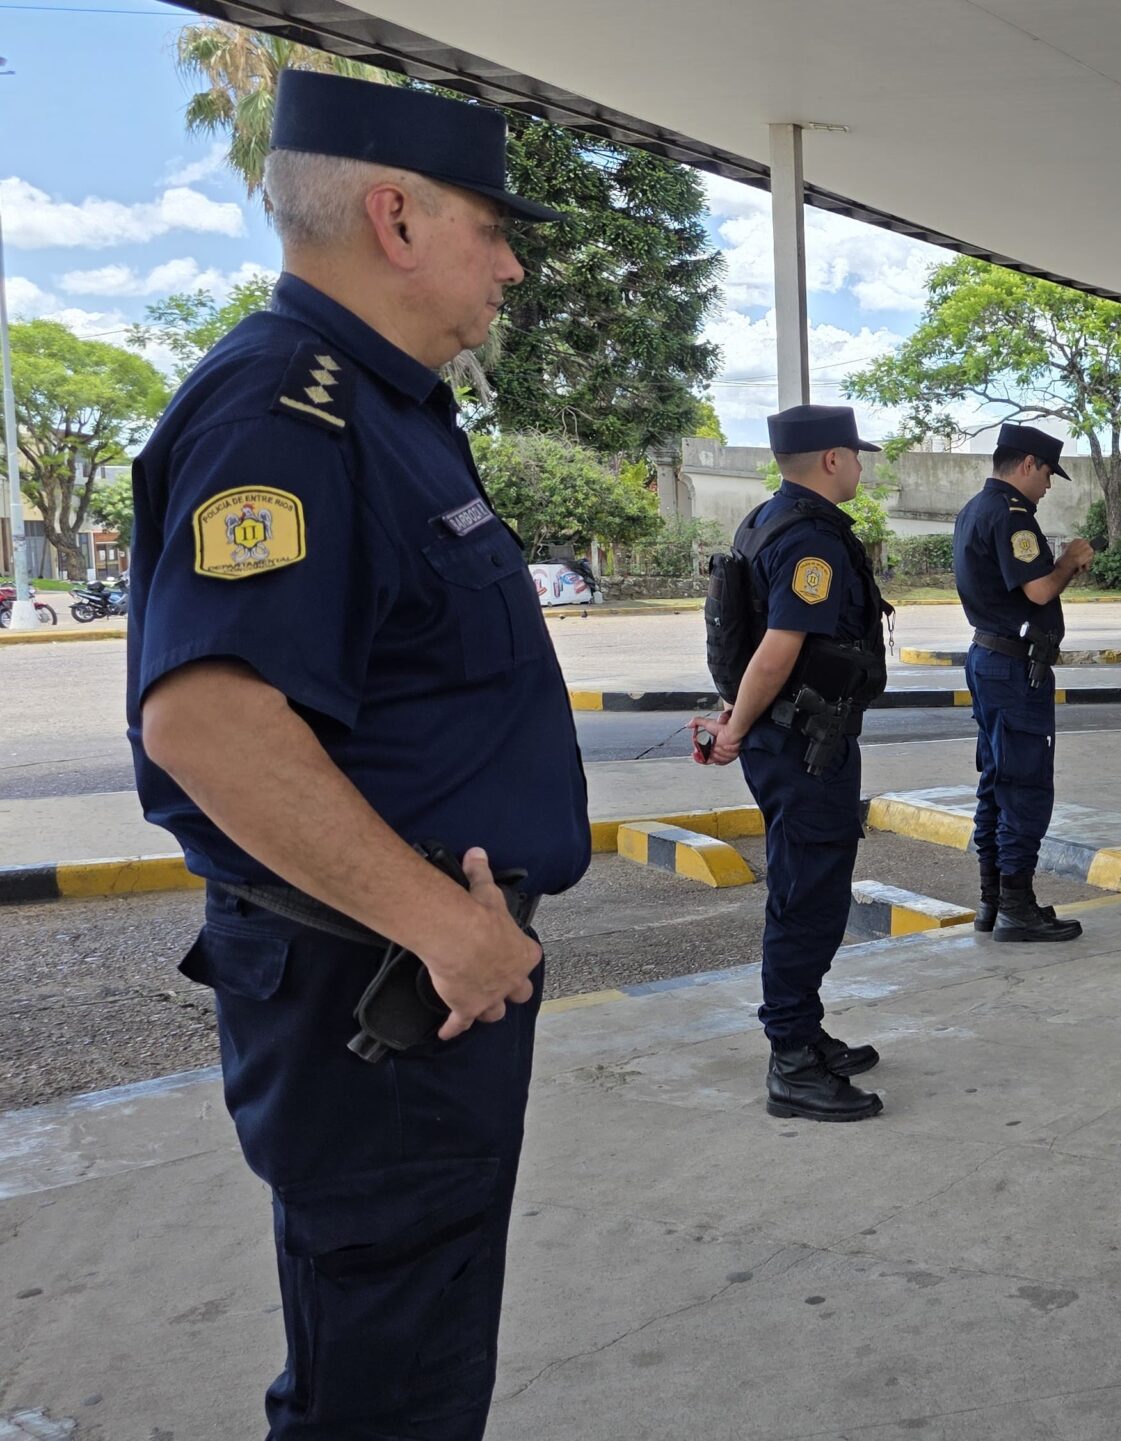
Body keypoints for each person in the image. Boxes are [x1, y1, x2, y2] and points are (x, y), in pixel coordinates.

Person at [122, 70, 580, 1439]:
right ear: (394, 216)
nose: (508, 264)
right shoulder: (289, 412)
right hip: (373, 990)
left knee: (408, 1363)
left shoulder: (384, 411)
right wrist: (444, 923)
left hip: (410, 984)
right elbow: (206, 718)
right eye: (492, 229)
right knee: (385, 1390)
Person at [707, 404, 890, 1123]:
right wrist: (734, 729)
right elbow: (777, 648)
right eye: (856, 454)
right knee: (807, 894)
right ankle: (791, 1058)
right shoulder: (810, 539)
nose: (861, 466)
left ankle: (805, 1030)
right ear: (833, 460)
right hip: (802, 744)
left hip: (795, 736)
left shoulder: (766, 519)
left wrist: (739, 720)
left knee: (810, 884)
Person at [952, 422, 1091, 942]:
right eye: (1049, 474)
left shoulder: (973, 510)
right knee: (1024, 785)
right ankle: (1016, 905)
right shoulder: (1013, 516)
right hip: (1014, 669)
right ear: (1028, 463)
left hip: (991, 659)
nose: (1050, 485)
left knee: (996, 782)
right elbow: (1037, 591)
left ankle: (993, 902)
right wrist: (1070, 561)